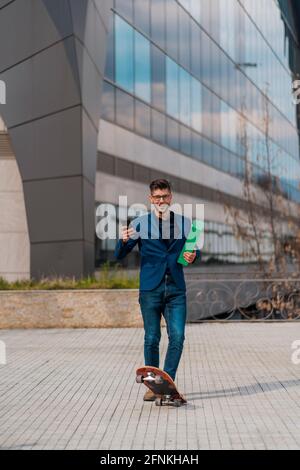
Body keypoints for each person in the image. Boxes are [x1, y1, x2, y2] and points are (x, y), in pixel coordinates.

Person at [114, 179, 201, 401]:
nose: (161, 200)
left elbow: (192, 252)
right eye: (157, 197)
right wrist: (122, 241)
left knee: (178, 337)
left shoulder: (184, 222)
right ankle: (153, 385)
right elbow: (119, 256)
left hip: (175, 289)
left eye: (165, 196)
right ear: (151, 199)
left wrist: (192, 256)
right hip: (150, 289)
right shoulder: (140, 224)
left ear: (170, 198)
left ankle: (165, 384)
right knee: (152, 338)